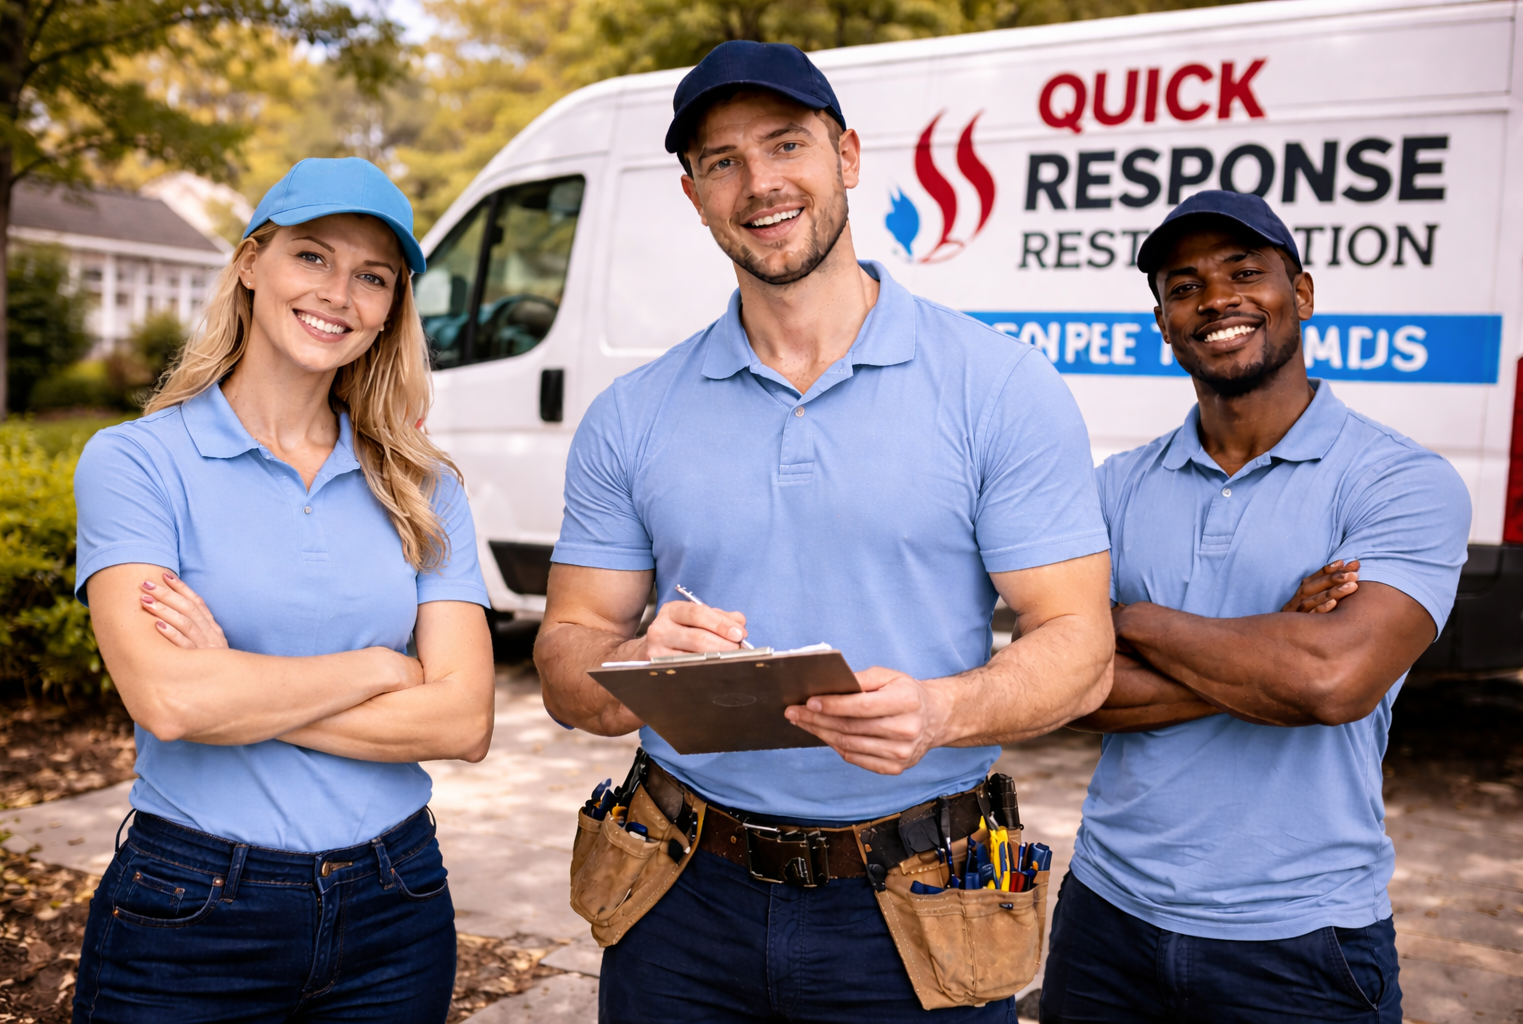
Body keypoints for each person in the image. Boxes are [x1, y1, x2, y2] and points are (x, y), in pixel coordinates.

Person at [533, 41, 1114, 1023]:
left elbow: (1082, 647)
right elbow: (561, 660)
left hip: (921, 900)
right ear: (694, 194)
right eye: (722, 160)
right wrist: (633, 658)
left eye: (787, 143)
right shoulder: (632, 413)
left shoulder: (998, 386)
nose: (760, 183)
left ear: (847, 154)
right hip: (678, 896)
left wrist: (945, 709)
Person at [70, 157, 495, 1023]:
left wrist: (238, 680)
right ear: (250, 265)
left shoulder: (422, 485)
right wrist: (382, 664)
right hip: (192, 909)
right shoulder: (137, 463)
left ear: (390, 312)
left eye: (372, 276)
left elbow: (463, 720)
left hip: (397, 904)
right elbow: (172, 701)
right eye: (313, 256)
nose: (340, 293)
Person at [1039, 190, 1470, 1024]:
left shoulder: (1401, 481)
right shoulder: (1113, 490)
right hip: (1106, 922)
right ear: (1163, 322)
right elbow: (1064, 687)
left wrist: (1135, 623)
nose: (1217, 300)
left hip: (1302, 941)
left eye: (1244, 273)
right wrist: (1279, 637)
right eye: (1185, 285)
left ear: (1299, 294)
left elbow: (1332, 683)